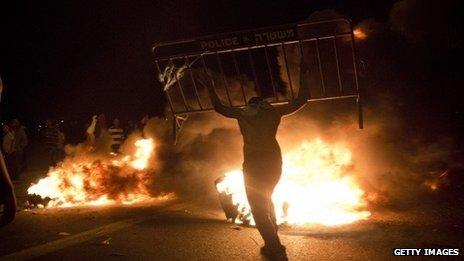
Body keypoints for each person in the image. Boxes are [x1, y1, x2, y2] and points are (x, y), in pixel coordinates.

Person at [201, 61, 310, 260]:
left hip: (254, 166)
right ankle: (272, 242)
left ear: (249, 104)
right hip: (274, 164)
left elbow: (218, 107)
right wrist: (304, 72)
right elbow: (302, 99)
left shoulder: (242, 114)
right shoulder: (272, 112)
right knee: (267, 201)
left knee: (259, 210)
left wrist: (209, 85)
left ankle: (275, 246)